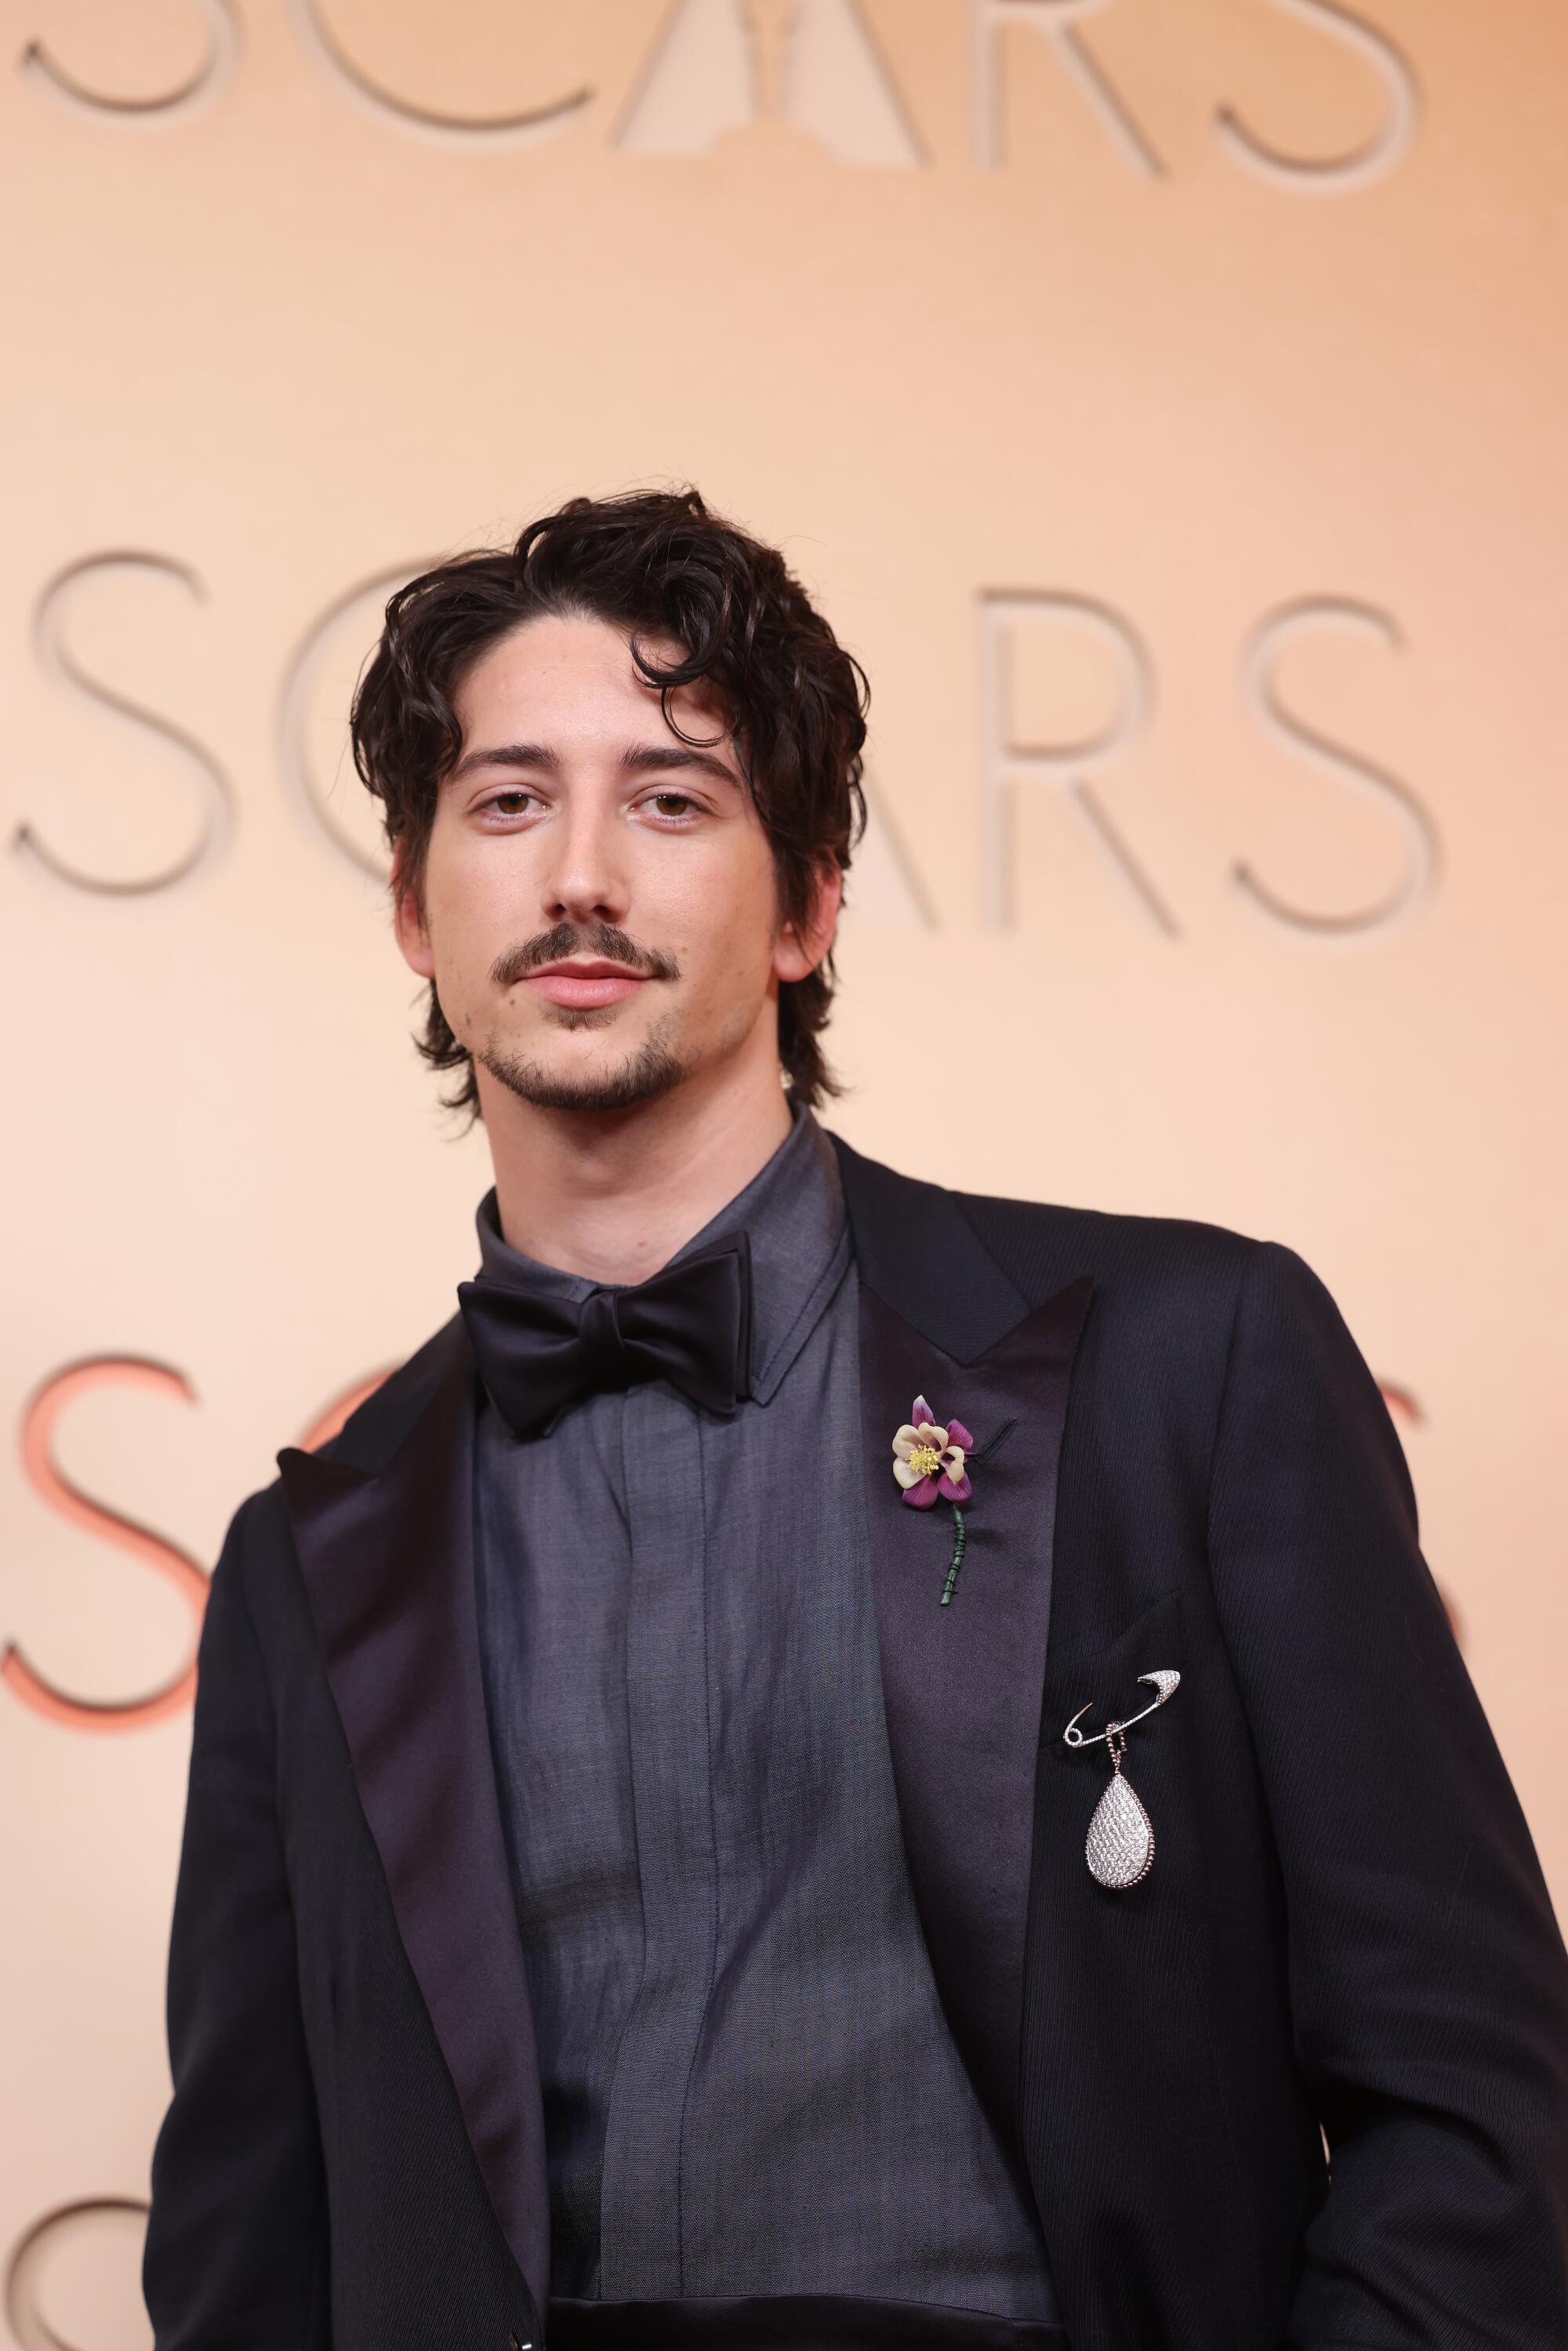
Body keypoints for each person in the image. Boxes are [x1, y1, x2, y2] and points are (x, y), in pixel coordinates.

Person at [142, 489, 1568, 2351]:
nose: (581, 872)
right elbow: (251, 2249)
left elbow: (1471, 2116)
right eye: (507, 801)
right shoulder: (304, 1567)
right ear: (416, 910)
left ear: (807, 904)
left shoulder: (1189, 1362)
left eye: (671, 798)